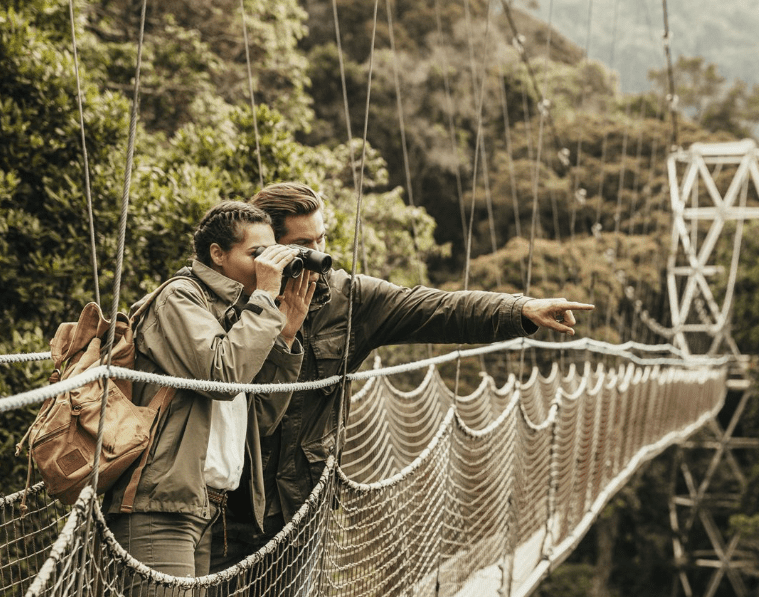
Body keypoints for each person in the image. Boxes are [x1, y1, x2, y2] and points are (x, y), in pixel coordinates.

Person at [210, 182, 594, 571]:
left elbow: (438, 308)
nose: (319, 256)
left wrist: (522, 310)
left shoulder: (347, 301)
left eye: (322, 239)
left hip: (303, 508)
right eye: (304, 244)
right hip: (228, 509)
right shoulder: (226, 300)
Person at [103, 201, 315, 584]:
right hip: (160, 507)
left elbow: (260, 419)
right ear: (217, 254)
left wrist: (284, 336)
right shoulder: (179, 298)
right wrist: (266, 300)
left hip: (205, 506)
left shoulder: (238, 314)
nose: (269, 266)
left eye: (272, 255)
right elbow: (222, 375)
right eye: (257, 254)